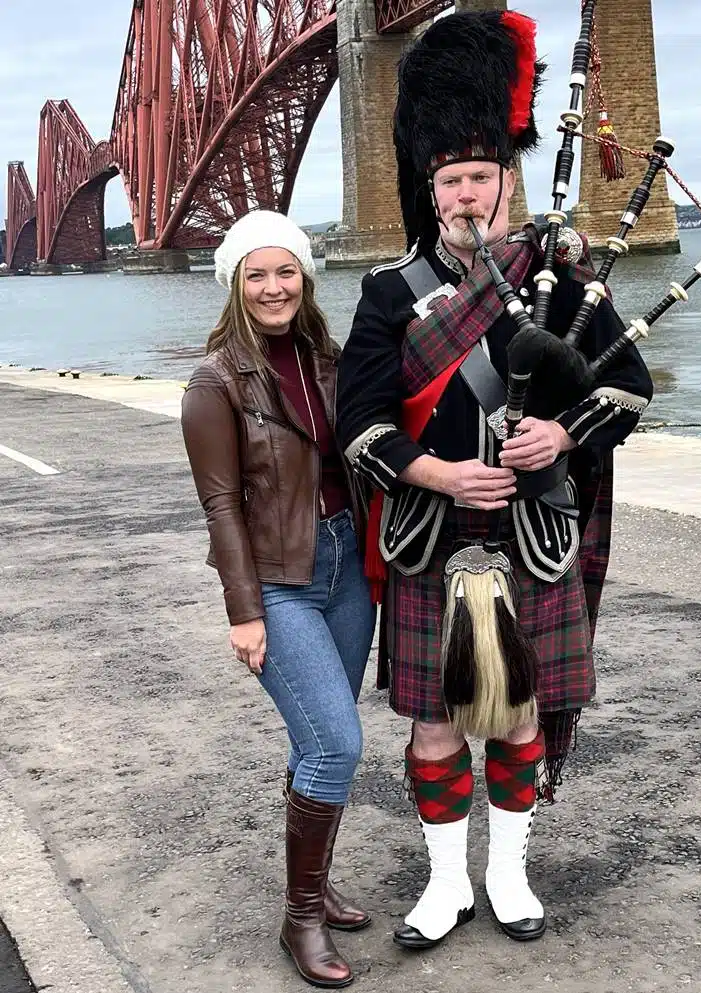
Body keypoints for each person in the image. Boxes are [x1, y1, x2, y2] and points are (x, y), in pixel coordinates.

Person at [335, 11, 653, 951]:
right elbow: (359, 425)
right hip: (435, 535)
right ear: (431, 192)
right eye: (451, 182)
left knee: (515, 718)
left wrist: (558, 432)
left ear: (507, 182)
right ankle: (444, 885)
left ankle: (508, 873)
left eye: (481, 178)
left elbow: (628, 391)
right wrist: (434, 470)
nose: (468, 195)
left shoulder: (566, 278)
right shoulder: (392, 293)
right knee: (434, 724)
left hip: (534, 535)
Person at [181, 210, 375, 989]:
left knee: (313, 740)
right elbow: (220, 505)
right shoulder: (216, 380)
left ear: (306, 277)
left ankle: (317, 882)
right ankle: (301, 917)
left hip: (348, 570)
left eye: (285, 270)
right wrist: (244, 608)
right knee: (338, 743)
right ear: (236, 283)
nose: (273, 286)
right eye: (256, 274)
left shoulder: (331, 360)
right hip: (278, 580)